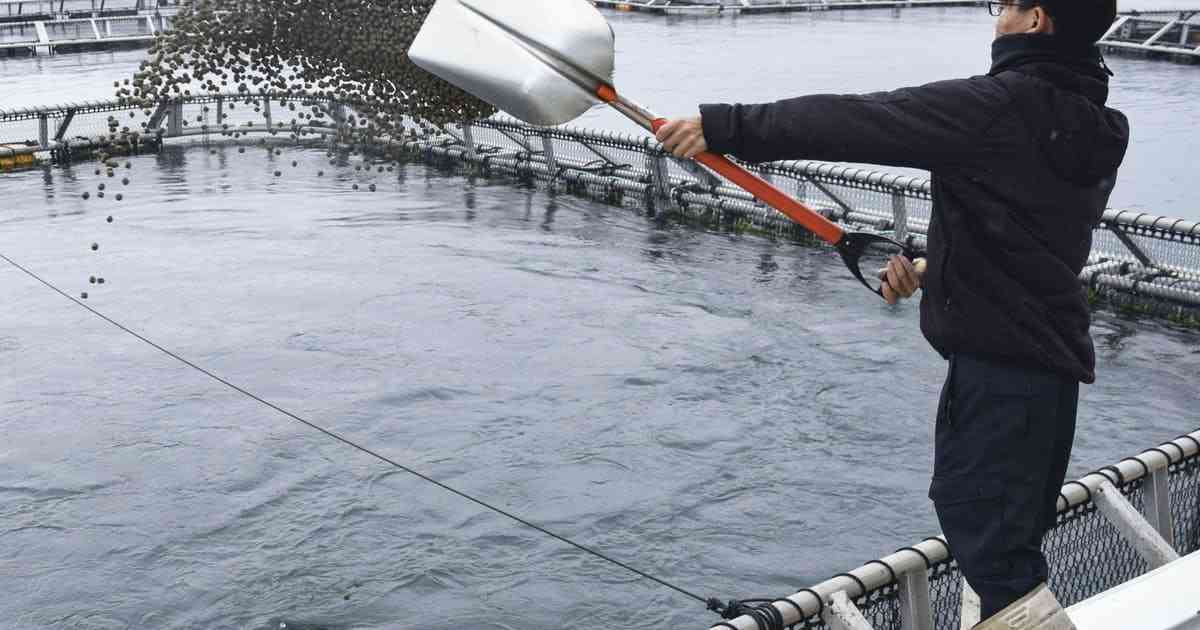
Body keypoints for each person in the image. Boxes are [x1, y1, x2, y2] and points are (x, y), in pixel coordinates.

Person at [655, 1, 1128, 628]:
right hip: (1046, 376)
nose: (997, 17)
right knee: (1001, 544)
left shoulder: (997, 107)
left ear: (1035, 20)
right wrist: (936, 267)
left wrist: (724, 127)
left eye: (1006, 4)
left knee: (990, 548)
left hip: (1000, 372)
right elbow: (1032, 237)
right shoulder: (1093, 123)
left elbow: (863, 119)